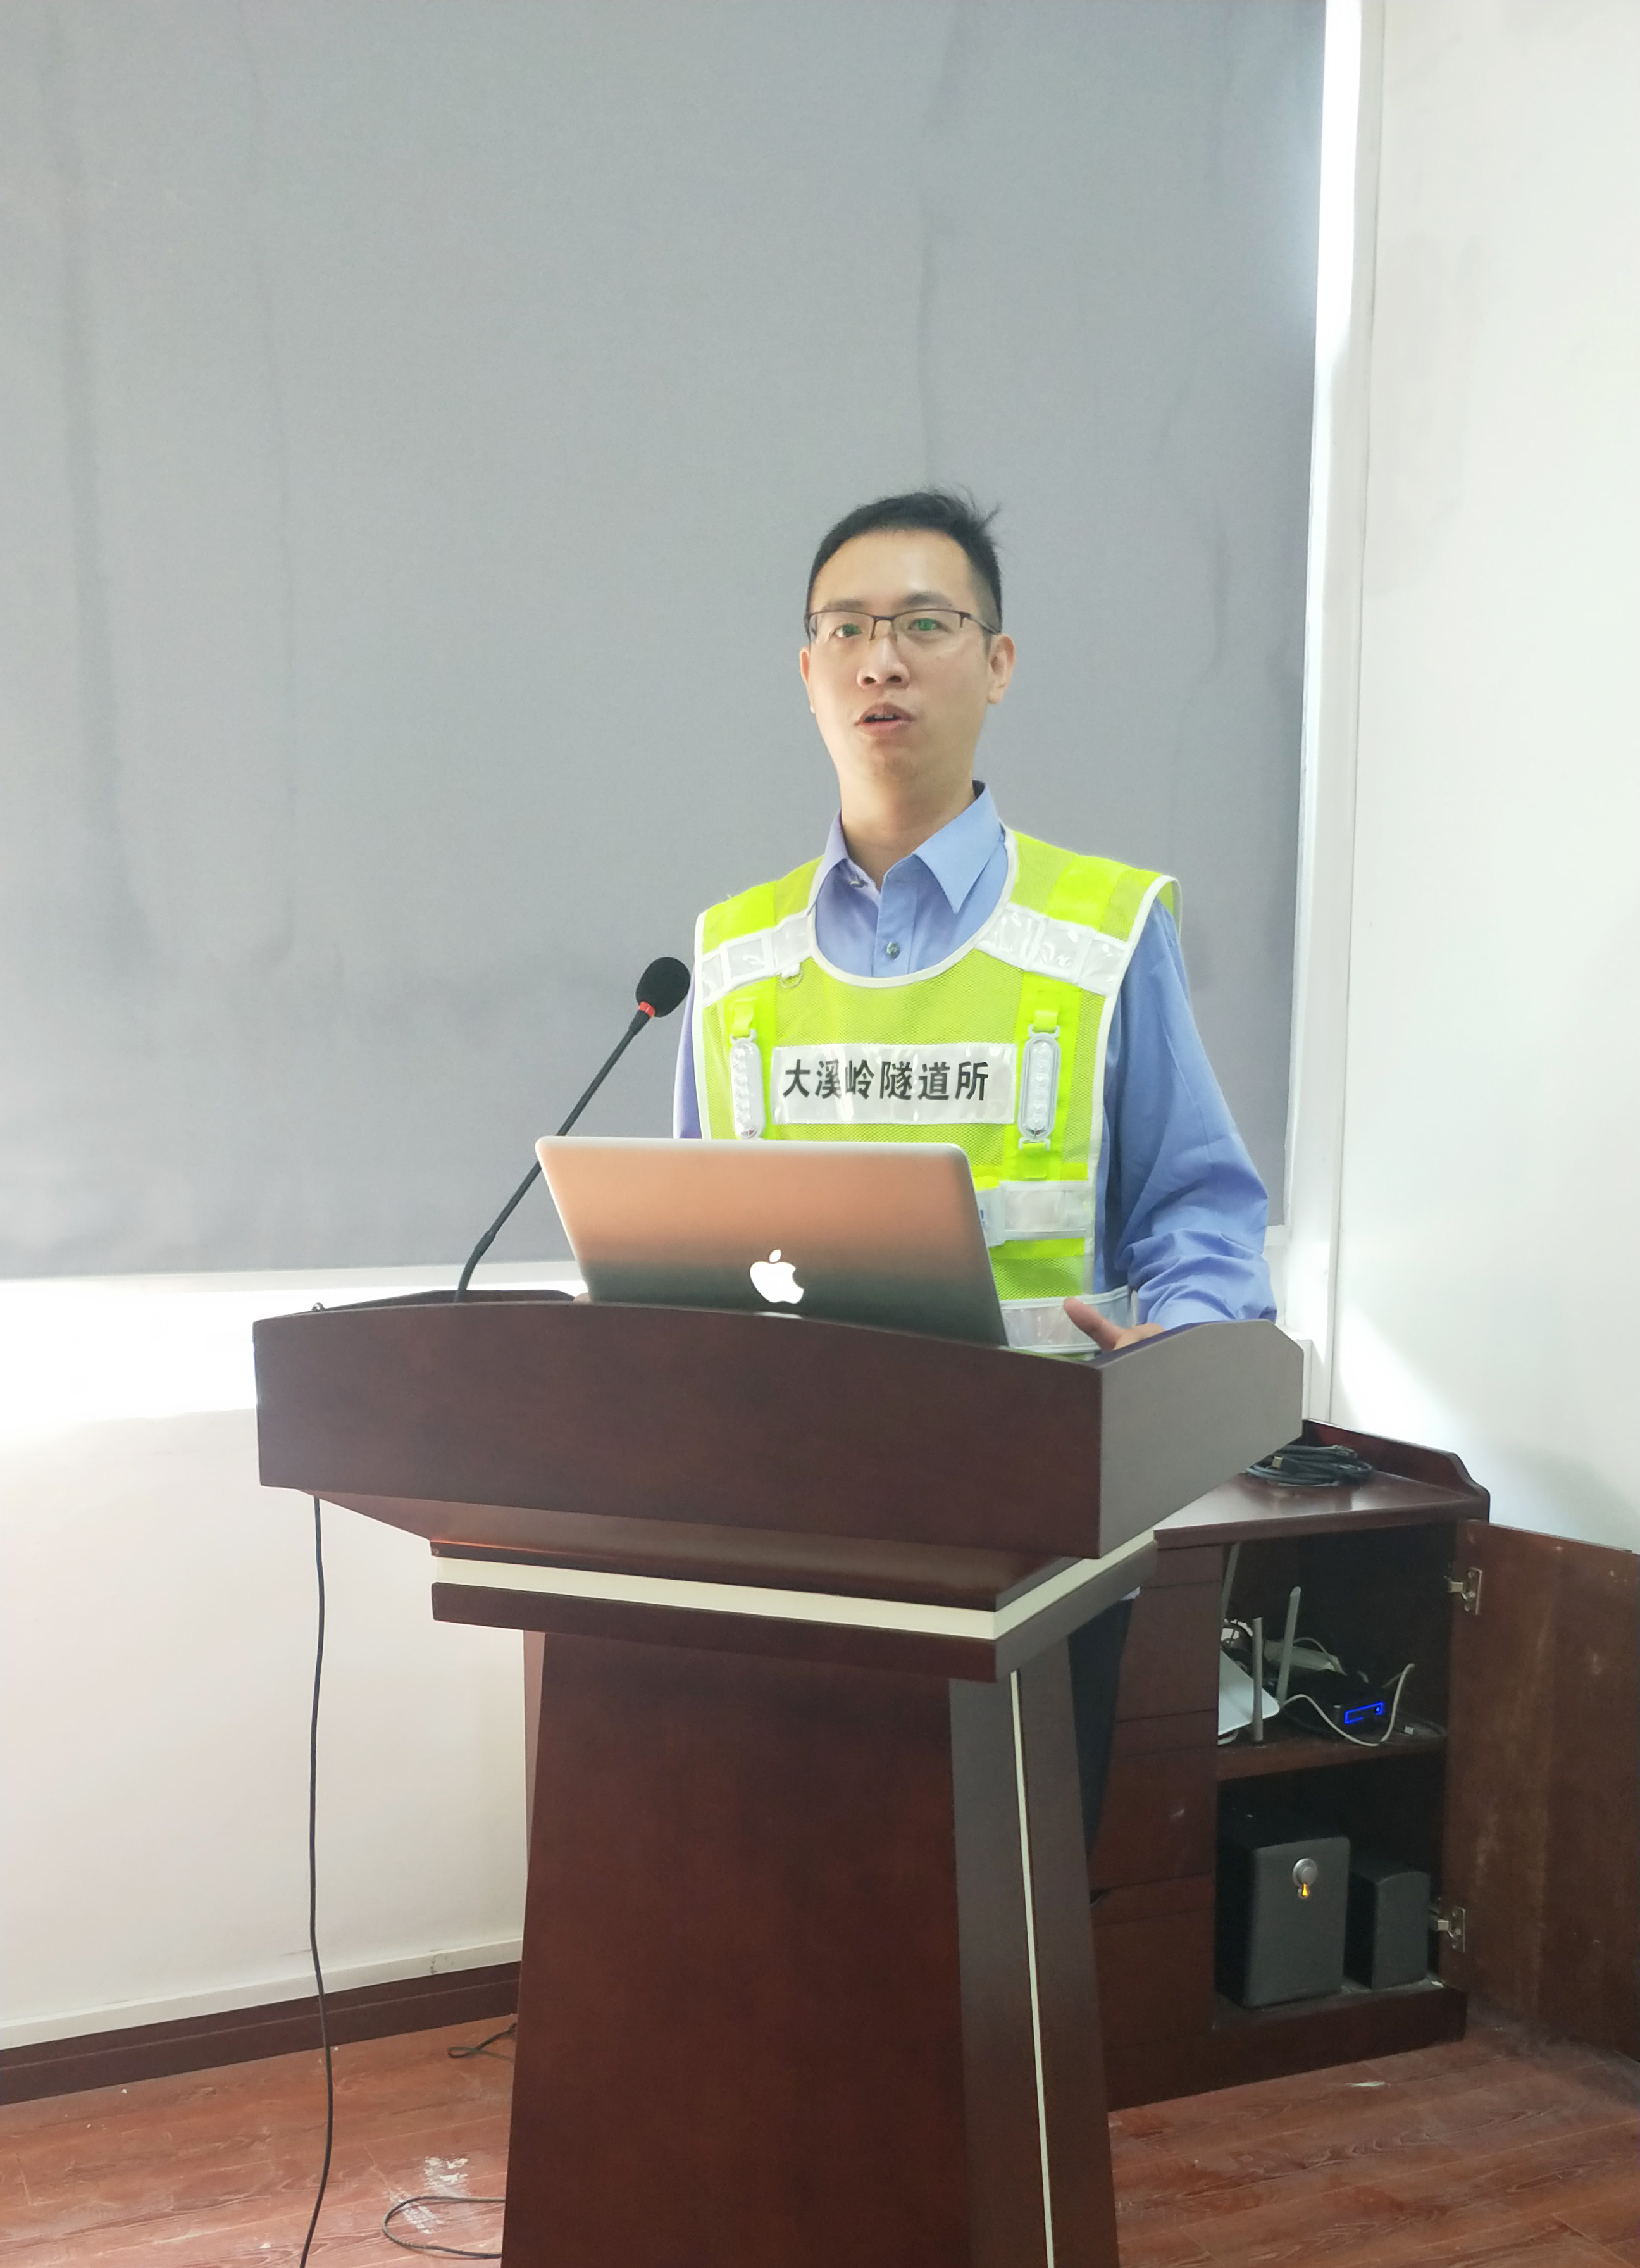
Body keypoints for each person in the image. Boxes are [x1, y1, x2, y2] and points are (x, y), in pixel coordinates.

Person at [674, 490, 1274, 1850]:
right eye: (846, 630)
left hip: (1036, 1544)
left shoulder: (1102, 934)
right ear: (808, 672)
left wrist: (1173, 1363)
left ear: (997, 663)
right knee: (788, 1918)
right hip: (792, 1539)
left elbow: (1200, 1212)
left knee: (1006, 1932)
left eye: (924, 625)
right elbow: (689, 1249)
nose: (880, 660)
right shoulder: (732, 958)